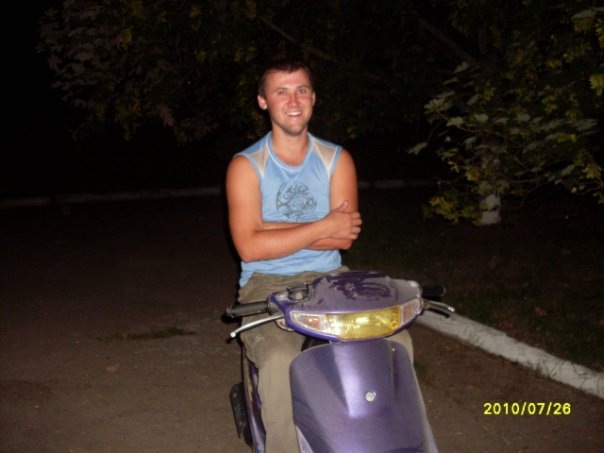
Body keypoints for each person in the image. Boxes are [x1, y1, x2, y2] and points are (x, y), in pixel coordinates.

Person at [225, 60, 414, 452]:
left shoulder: (336, 159)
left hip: (332, 280)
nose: (293, 101)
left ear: (313, 97)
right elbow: (249, 247)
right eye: (281, 92)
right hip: (266, 284)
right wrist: (321, 225)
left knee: (396, 343)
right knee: (280, 359)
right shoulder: (246, 166)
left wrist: (268, 228)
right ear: (263, 101)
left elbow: (343, 237)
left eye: (302, 90)